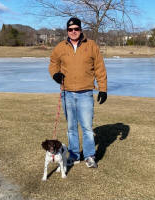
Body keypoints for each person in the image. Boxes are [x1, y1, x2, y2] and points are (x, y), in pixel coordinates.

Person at [48, 17, 107, 168]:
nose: (73, 32)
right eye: (70, 29)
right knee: (71, 127)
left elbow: (99, 67)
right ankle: (74, 155)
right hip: (67, 93)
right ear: (67, 31)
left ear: (81, 30)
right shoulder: (61, 47)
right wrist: (55, 75)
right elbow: (53, 63)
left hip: (85, 92)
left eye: (76, 29)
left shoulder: (91, 45)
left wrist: (103, 89)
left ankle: (89, 156)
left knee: (87, 127)